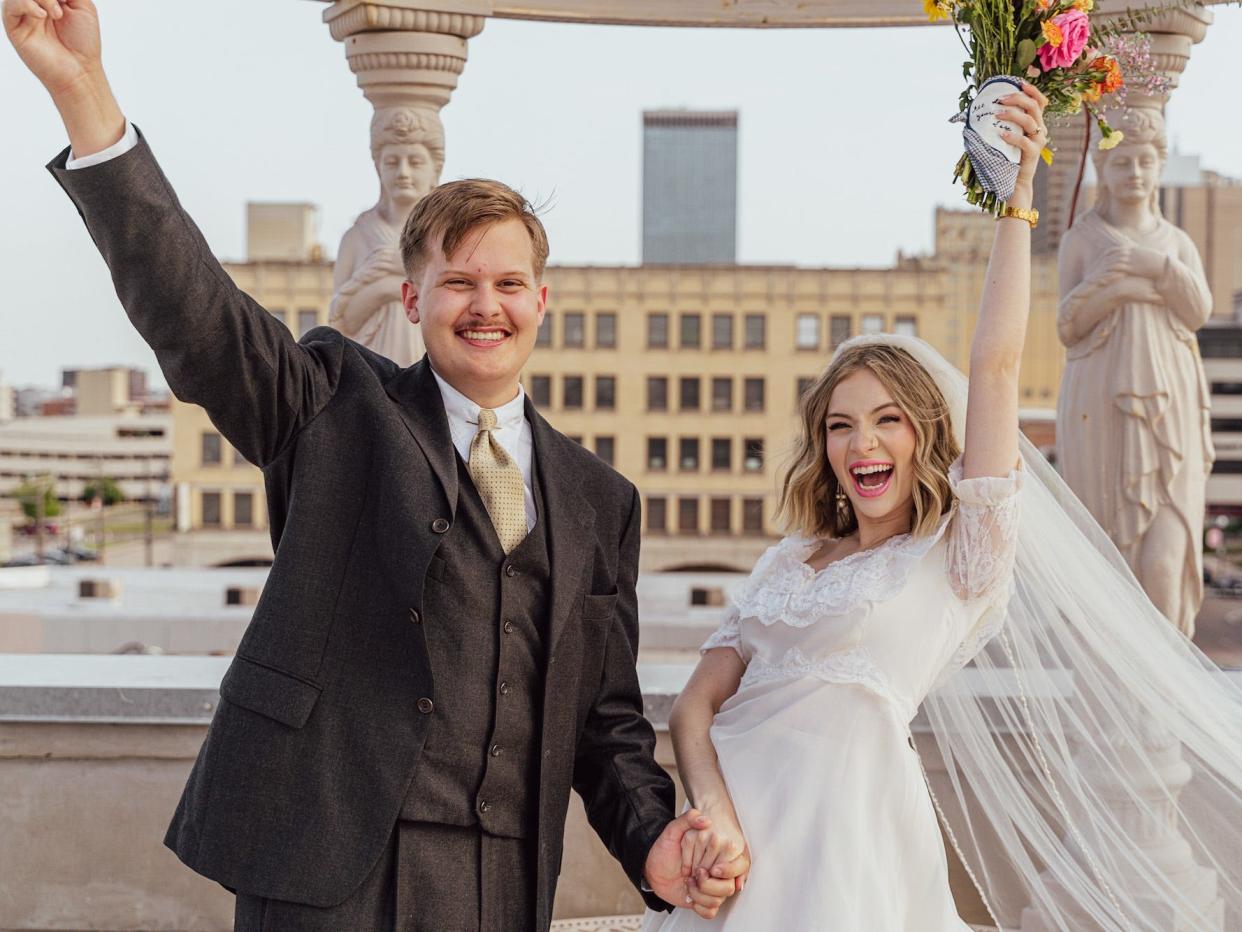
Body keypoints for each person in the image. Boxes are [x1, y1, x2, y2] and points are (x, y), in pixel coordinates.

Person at [2, 1, 746, 928]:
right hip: (325, 871)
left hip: (499, 886)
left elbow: (604, 721)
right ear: (413, 297)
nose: (487, 306)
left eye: (509, 283)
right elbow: (196, 316)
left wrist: (651, 840)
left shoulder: (603, 502)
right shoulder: (336, 406)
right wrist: (84, 91)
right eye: (459, 282)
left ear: (543, 301)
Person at [646, 82, 1242, 931]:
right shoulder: (788, 560)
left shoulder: (959, 557)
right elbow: (693, 707)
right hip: (728, 859)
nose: (863, 446)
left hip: (848, 852)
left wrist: (1018, 201)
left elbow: (995, 365)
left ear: (926, 436)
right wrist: (713, 814)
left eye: (888, 422)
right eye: (842, 426)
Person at [1056, 106, 1213, 638]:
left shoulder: (1176, 244)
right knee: (1111, 564)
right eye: (1122, 161)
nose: (1135, 173)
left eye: (1146, 161)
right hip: (1100, 403)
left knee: (1164, 564)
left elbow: (1198, 310)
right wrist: (1118, 288)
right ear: (1103, 166)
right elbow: (1067, 323)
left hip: (1170, 405)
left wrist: (1153, 269)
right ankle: (1112, 709)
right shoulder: (1083, 239)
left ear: (1160, 166)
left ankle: (1162, 710)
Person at [330, 107, 444, 367]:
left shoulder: (446, 236)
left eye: (415, 162)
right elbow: (342, 320)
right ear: (378, 168)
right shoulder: (357, 237)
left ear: (434, 169)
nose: (403, 172)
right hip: (371, 372)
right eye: (392, 162)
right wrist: (390, 287)